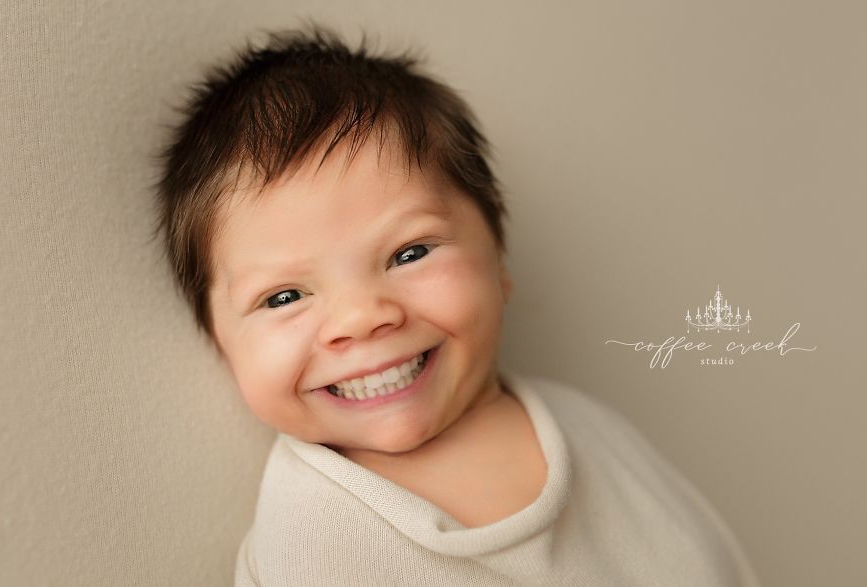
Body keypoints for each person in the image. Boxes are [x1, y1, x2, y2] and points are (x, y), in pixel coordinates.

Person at [150, 23, 762, 586]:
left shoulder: (595, 432)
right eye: (284, 296)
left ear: (498, 258)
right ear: (219, 341)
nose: (363, 317)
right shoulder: (314, 549)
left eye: (410, 254)